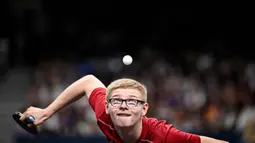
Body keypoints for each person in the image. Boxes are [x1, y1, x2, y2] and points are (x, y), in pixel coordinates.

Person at [20, 75, 228, 143]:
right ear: (108, 107)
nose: (124, 106)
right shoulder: (103, 114)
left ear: (144, 109)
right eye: (117, 101)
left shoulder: (161, 135)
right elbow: (88, 81)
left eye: (132, 101)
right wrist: (46, 112)